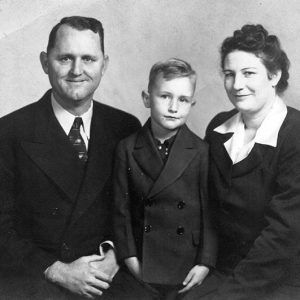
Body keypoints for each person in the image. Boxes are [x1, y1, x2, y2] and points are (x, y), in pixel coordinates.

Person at [0, 16, 155, 300]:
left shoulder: (126, 127)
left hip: (108, 276)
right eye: (65, 58)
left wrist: (115, 256)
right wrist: (57, 270)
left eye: (88, 59)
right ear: (45, 62)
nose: (76, 70)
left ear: (103, 65)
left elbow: (141, 212)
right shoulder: (8, 132)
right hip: (36, 277)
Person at [205, 24, 300, 299]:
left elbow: (284, 235)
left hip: (283, 278)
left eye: (249, 73)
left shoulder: (296, 134)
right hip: (222, 269)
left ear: (274, 75)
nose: (237, 85)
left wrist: (230, 294)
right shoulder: (217, 128)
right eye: (229, 74)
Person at [113, 58, 217, 300]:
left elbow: (210, 215)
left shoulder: (201, 150)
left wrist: (205, 263)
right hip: (142, 260)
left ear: (192, 103)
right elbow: (121, 212)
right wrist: (130, 260)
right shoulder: (127, 148)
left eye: (183, 100)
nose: (173, 107)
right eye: (164, 97)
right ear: (147, 98)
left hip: (188, 265)